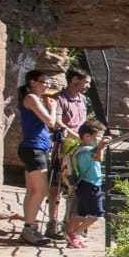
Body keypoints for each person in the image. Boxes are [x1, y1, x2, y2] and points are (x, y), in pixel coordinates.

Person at [17, 70, 63, 245]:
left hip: (35, 148)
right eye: (45, 82)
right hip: (33, 148)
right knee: (41, 190)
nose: (48, 86)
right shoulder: (32, 99)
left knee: (32, 190)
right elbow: (50, 122)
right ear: (33, 82)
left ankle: (28, 229)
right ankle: (29, 229)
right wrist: (53, 109)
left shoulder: (34, 99)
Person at [46, 67, 91, 239]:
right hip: (62, 147)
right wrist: (76, 136)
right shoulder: (59, 98)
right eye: (85, 82)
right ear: (74, 80)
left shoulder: (83, 99)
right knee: (56, 186)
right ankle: (52, 222)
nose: (87, 86)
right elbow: (57, 122)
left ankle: (68, 224)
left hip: (79, 148)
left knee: (74, 186)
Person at [64, 119, 110, 248]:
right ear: (87, 136)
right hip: (91, 185)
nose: (100, 138)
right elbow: (99, 158)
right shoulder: (85, 151)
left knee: (81, 214)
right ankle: (75, 234)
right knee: (97, 215)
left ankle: (71, 236)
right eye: (98, 135)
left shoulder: (81, 149)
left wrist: (100, 145)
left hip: (85, 184)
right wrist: (101, 147)